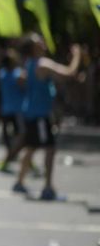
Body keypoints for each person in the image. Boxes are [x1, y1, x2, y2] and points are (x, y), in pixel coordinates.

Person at [12, 35, 80, 200]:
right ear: (33, 48)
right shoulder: (42, 63)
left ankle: (20, 181)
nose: (43, 43)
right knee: (49, 149)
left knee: (32, 147)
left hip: (32, 113)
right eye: (38, 42)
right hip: (40, 115)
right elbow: (69, 73)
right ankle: (47, 188)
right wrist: (77, 55)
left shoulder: (30, 64)